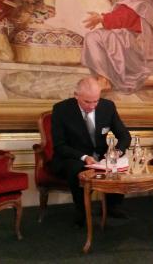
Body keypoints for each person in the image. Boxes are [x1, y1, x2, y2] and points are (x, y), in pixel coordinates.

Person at [50, 77, 132, 227]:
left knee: (118, 163)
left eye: (96, 101)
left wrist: (117, 152)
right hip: (72, 156)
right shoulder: (61, 110)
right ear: (76, 95)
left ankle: (113, 205)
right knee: (76, 168)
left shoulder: (108, 107)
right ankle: (82, 211)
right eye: (87, 102)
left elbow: (125, 135)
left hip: (100, 156)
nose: (93, 106)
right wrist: (84, 157)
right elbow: (59, 145)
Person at [81, 0, 153, 95]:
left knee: (93, 37)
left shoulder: (137, 0)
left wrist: (101, 18)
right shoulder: (151, 3)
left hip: (138, 51)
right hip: (149, 55)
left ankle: (104, 80)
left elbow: (122, 19)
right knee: (108, 37)